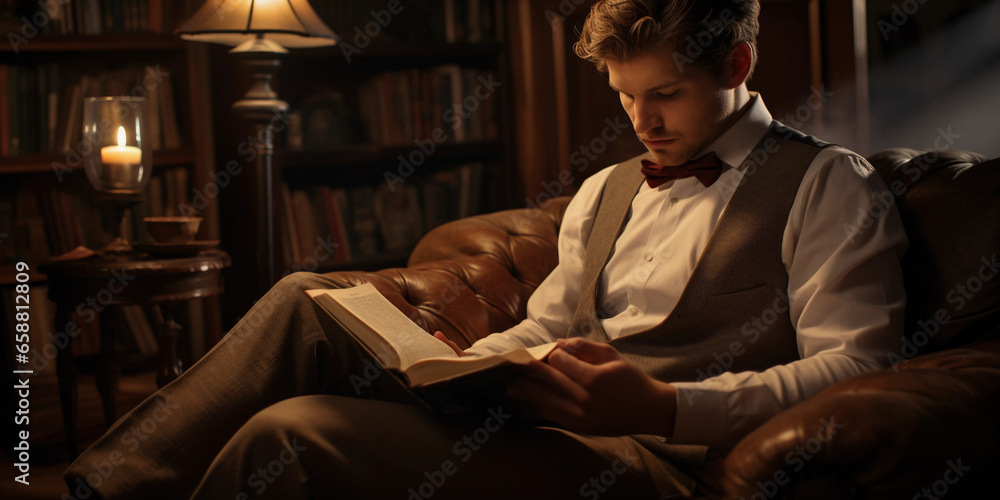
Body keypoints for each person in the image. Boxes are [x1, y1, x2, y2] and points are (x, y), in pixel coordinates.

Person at [64, 0, 907, 498]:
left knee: (288, 434)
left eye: (666, 96)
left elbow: (857, 371)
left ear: (739, 61)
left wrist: (664, 408)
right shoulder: (608, 190)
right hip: (549, 428)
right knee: (306, 299)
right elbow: (543, 327)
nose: (641, 124)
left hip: (657, 462)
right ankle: (100, 488)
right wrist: (451, 361)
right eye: (624, 98)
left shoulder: (829, 183)